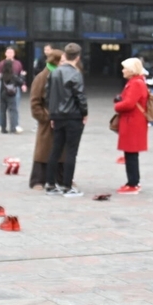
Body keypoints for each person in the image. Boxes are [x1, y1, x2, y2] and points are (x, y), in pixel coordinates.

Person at [45, 42, 87, 197]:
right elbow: (80, 96)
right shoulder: (76, 74)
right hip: (73, 115)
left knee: (55, 149)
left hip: (57, 115)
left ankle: (50, 184)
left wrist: (52, 113)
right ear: (77, 57)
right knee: (71, 151)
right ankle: (67, 186)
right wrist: (84, 113)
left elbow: (48, 95)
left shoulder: (54, 72)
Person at [29, 49, 64, 190]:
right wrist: (45, 117)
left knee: (63, 150)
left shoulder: (63, 75)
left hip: (62, 118)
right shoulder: (41, 78)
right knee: (43, 149)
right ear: (55, 61)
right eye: (62, 61)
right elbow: (35, 103)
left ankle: (61, 178)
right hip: (47, 120)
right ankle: (38, 180)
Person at [115, 57, 149, 194]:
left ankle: (133, 183)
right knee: (130, 154)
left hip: (133, 122)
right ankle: (132, 182)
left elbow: (128, 103)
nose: (123, 70)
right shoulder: (137, 82)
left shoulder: (135, 83)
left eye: (125, 68)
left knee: (131, 154)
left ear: (131, 70)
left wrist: (117, 105)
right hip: (133, 121)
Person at [0, 47, 26, 133]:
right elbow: (19, 78)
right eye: (8, 52)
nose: (10, 54)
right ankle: (10, 125)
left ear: (14, 53)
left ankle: (4, 126)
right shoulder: (1, 64)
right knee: (13, 109)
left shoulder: (18, 63)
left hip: (5, 91)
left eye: (11, 52)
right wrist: (22, 80)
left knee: (3, 109)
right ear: (5, 53)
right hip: (13, 90)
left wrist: (23, 85)